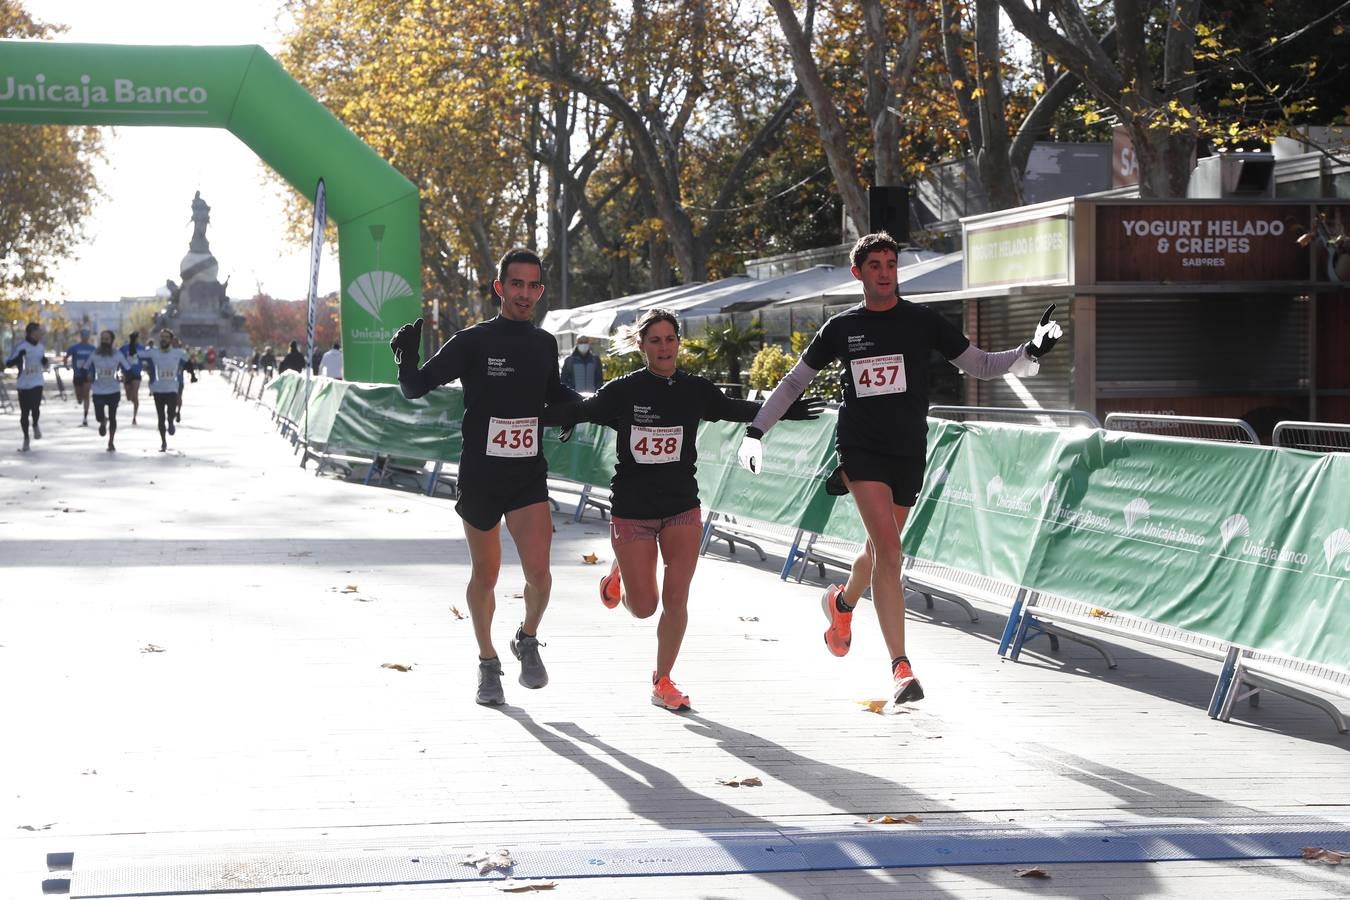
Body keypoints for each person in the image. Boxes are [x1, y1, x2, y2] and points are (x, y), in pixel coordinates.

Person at [739, 231, 1062, 706]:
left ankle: (841, 602)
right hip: (860, 448)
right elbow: (793, 384)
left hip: (908, 449)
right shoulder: (842, 327)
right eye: (875, 265)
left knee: (878, 551)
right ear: (859, 273)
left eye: (891, 264)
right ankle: (900, 668)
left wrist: (1029, 351)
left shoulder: (922, 321)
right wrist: (755, 430)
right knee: (890, 552)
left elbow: (982, 365)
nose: (885, 272)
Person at [542, 309, 823, 710]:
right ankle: (619, 570)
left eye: (669, 339)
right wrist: (545, 417)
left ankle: (664, 680)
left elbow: (731, 408)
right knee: (644, 608)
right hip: (633, 511)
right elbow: (583, 410)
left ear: (678, 343)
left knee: (676, 599)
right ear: (641, 346)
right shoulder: (625, 390)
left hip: (681, 508)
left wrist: (783, 411)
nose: (663, 347)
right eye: (654, 340)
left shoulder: (694, 389)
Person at [390, 247, 581, 706]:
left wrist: (572, 405)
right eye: (516, 284)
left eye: (534, 285)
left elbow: (552, 392)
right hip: (481, 474)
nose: (525, 293)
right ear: (499, 288)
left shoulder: (543, 343)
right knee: (486, 575)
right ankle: (488, 662)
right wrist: (405, 358)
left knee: (541, 574)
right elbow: (416, 387)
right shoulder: (473, 341)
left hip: (526, 475)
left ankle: (527, 637)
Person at [138, 329, 189, 452]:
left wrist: (191, 373)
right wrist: (134, 342)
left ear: (171, 340)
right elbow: (138, 355)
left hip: (172, 388)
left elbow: (188, 361)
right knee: (160, 417)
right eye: (162, 337)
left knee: (170, 413)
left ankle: (171, 422)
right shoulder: (153, 353)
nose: (163, 339)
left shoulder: (177, 353)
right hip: (158, 389)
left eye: (166, 337)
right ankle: (163, 442)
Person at [87, 330, 135, 452]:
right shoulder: (95, 354)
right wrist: (88, 375)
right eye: (102, 339)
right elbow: (85, 368)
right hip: (98, 390)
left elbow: (128, 369)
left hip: (113, 390)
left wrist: (124, 376)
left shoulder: (117, 354)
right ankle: (103, 421)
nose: (104, 341)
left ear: (111, 340)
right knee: (99, 415)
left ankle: (111, 442)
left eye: (107, 339)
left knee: (113, 416)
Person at [5, 322, 48, 452]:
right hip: (24, 384)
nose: (41, 333)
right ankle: (26, 438)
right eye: (39, 331)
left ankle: (35, 424)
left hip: (37, 382)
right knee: (25, 412)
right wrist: (19, 356)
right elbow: (8, 363)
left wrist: (44, 361)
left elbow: (43, 362)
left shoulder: (40, 346)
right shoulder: (21, 346)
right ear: (32, 332)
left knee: (35, 407)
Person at [64, 329, 97, 426]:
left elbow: (96, 361)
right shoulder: (74, 348)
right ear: (81, 337)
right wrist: (66, 366)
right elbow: (66, 357)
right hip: (77, 375)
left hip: (88, 375)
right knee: (79, 398)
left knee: (86, 394)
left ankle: (85, 417)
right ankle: (80, 399)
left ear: (88, 337)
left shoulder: (93, 349)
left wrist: (94, 373)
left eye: (86, 336)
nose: (85, 338)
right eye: (83, 336)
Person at [119, 331, 144, 425]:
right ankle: (133, 400)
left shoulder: (141, 348)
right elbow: (118, 359)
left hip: (136, 375)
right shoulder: (124, 348)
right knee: (129, 397)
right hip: (126, 375)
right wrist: (119, 372)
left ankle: (134, 417)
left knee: (135, 393)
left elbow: (147, 358)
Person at [172, 336, 198, 422]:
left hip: (179, 380)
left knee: (178, 397)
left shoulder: (181, 353)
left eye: (175, 343)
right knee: (171, 398)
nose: (174, 344)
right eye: (173, 343)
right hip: (169, 381)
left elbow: (189, 364)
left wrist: (192, 375)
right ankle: (172, 411)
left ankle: (178, 411)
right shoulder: (167, 353)